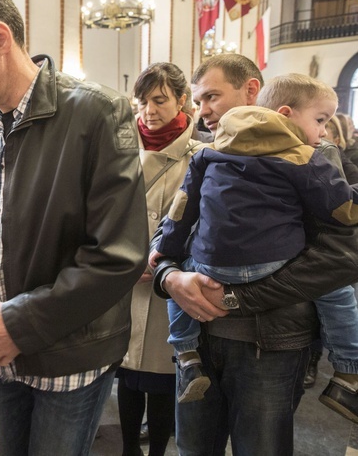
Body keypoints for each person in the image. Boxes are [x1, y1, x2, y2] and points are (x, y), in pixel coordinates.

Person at [0, 0, 148, 455]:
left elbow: (118, 255)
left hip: (67, 353)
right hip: (1, 354)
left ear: (0, 38)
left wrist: (21, 325)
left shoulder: (97, 113)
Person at [151, 55, 358, 455]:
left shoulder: (313, 151)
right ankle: (348, 370)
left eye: (212, 96)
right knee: (193, 448)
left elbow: (340, 258)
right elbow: (172, 223)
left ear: (251, 90)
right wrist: (169, 277)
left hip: (271, 342)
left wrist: (236, 297)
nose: (203, 110)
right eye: (198, 101)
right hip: (202, 334)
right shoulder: (208, 149)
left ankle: (347, 370)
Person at [118, 63, 202, 456]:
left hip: (167, 280)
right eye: (143, 101)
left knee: (161, 376)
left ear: (182, 100)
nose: (149, 110)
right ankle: (129, 449)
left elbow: (200, 221)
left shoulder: (200, 154)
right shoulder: (121, 146)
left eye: (159, 100)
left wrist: (156, 262)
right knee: (128, 374)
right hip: (122, 277)